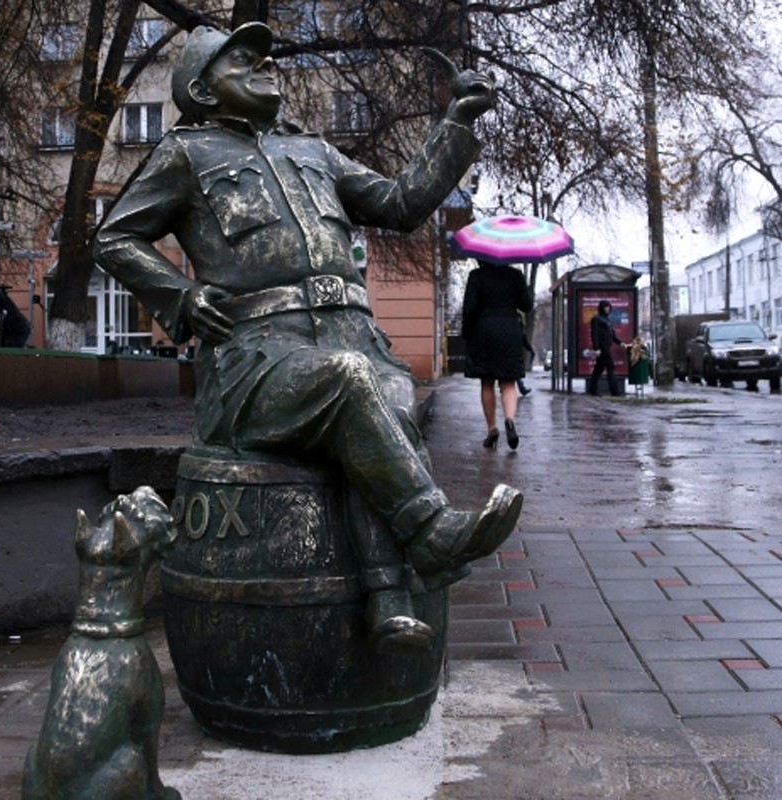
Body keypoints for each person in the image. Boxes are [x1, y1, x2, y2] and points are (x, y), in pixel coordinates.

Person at [94, 23, 522, 653]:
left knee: (382, 397)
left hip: (352, 339)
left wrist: (456, 121)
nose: (265, 61)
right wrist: (181, 297)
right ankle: (428, 535)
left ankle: (387, 602)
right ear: (203, 91)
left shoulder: (314, 151)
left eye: (261, 53)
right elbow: (114, 237)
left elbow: (402, 203)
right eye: (242, 59)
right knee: (351, 383)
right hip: (256, 363)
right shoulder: (186, 154)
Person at [461, 261, 533, 450]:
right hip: (509, 329)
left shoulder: (476, 276)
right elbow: (527, 305)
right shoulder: (515, 275)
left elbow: (469, 308)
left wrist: (467, 333)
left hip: (484, 330)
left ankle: (492, 428)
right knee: (508, 382)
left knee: (487, 382)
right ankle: (509, 419)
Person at [587, 300, 625, 396]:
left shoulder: (607, 320)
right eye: (606, 307)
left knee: (599, 369)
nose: (608, 309)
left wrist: (620, 343)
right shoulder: (597, 319)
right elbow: (594, 334)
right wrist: (597, 348)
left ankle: (592, 389)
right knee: (610, 367)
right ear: (602, 308)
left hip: (606, 347)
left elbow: (612, 334)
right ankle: (614, 391)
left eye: (608, 307)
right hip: (602, 348)